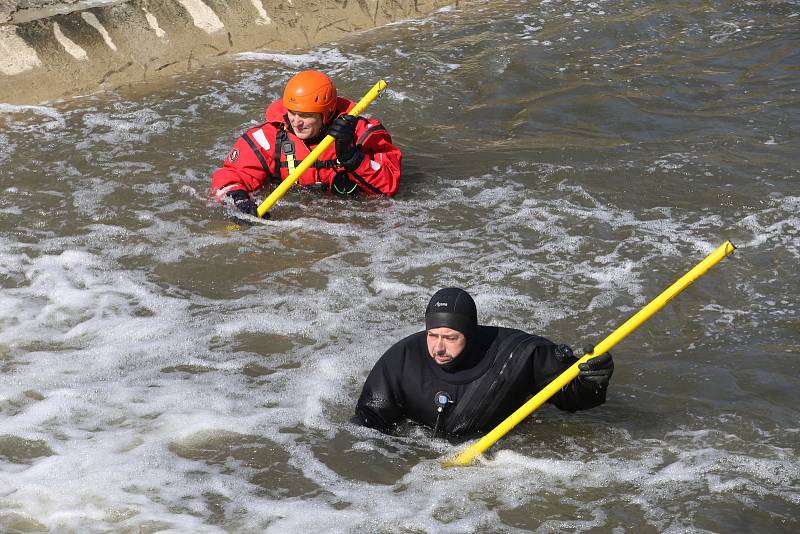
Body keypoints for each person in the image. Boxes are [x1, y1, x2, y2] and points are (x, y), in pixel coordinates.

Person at [352, 287, 614, 437]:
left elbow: (572, 396)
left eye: (450, 337)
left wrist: (592, 381)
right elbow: (370, 419)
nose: (438, 347)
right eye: (432, 335)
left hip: (501, 452)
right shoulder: (404, 357)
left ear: (471, 333)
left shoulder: (517, 353)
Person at [211, 70, 402, 217]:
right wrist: (239, 201)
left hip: (351, 223)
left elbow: (390, 185)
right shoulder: (268, 138)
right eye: (292, 112)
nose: (296, 121)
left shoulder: (362, 133)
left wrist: (352, 157)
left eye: (306, 115)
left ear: (326, 114)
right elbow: (230, 176)